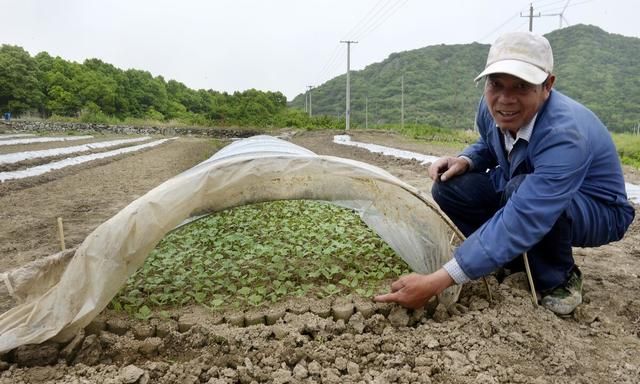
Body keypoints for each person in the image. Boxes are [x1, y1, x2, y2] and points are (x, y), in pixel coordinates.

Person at [374, 31, 635, 315]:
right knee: (449, 186)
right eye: (495, 84)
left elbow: (528, 213)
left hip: (596, 209)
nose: (505, 99)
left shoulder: (564, 134)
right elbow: (490, 142)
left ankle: (559, 278)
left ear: (547, 85)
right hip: (523, 186)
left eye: (521, 86)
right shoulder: (490, 108)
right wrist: (466, 159)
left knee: (521, 192)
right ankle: (507, 259)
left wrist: (437, 281)